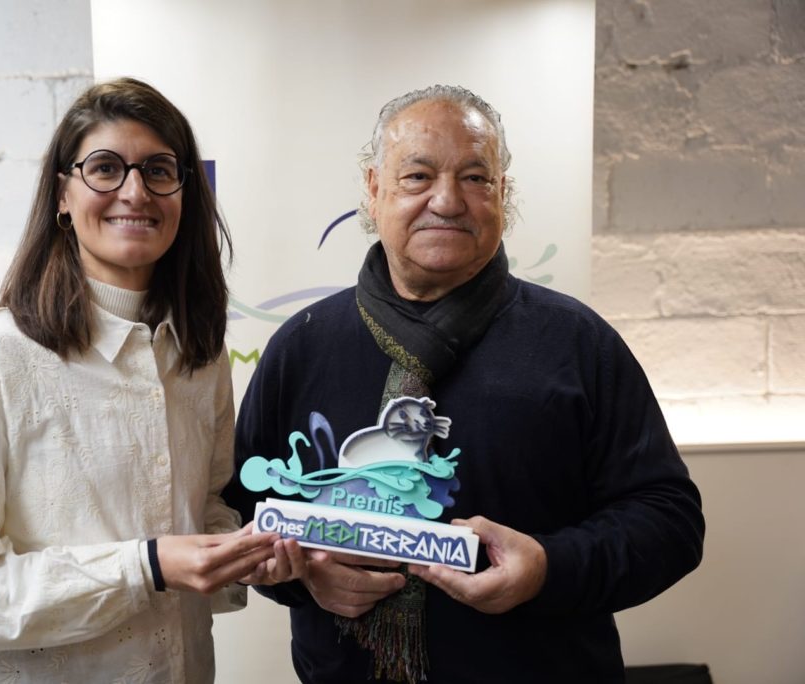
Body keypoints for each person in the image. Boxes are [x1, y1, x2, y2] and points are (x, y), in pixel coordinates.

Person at [223, 84, 705, 683]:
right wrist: (305, 577)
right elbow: (245, 516)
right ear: (374, 189)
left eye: (476, 178)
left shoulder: (577, 343)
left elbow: (669, 523)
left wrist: (548, 568)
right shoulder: (302, 346)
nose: (448, 201)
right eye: (418, 176)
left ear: (504, 193)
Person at [0, 77, 285, 684]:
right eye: (105, 168)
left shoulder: (201, 352)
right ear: (62, 194)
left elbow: (209, 505)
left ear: (184, 194)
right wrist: (145, 566)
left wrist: (249, 553)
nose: (135, 192)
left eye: (158, 170)